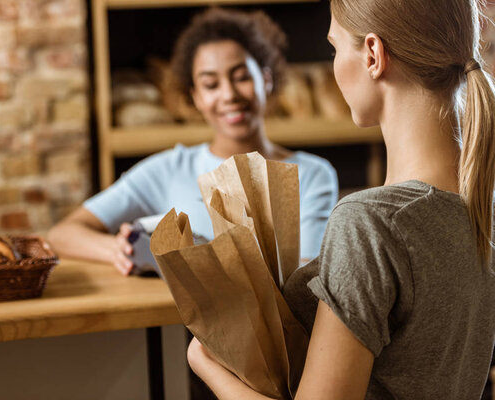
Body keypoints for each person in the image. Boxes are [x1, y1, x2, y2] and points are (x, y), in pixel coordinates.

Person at [187, 1, 495, 399]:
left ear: (372, 54)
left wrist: (206, 366)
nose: (333, 67)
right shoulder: (482, 210)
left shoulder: (370, 222)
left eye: (334, 49)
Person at [47, 8, 338, 275]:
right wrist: (115, 250)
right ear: (196, 97)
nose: (228, 95)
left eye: (241, 77)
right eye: (211, 84)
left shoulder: (312, 174)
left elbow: (307, 274)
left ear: (266, 80)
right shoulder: (170, 169)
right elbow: (62, 234)